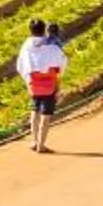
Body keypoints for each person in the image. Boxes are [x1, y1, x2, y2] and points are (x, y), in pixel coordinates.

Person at [15, 17, 68, 153]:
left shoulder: (26, 46)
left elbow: (20, 66)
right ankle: (41, 145)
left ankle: (33, 141)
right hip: (50, 83)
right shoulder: (52, 47)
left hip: (33, 83)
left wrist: (28, 80)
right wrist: (58, 78)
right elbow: (62, 62)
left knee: (35, 110)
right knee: (46, 114)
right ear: (44, 30)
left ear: (30, 30)